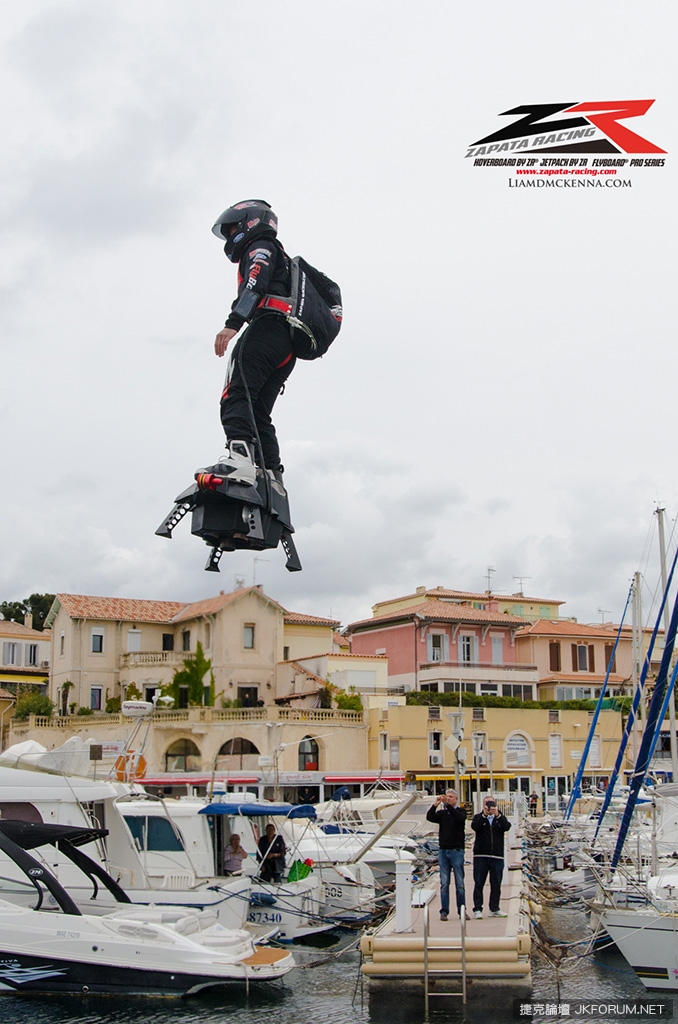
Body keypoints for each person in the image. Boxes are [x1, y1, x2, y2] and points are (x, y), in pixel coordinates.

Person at [209, 199, 295, 487]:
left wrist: (233, 324)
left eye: (233, 228)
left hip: (267, 327)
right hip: (288, 341)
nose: (231, 236)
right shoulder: (277, 252)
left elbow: (254, 282)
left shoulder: (259, 248)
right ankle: (272, 476)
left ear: (248, 223)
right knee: (258, 410)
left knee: (236, 393)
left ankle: (241, 460)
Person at [426, 789, 467, 921]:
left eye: (451, 797)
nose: (448, 799)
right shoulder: (442, 813)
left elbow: (458, 818)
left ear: (456, 799)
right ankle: (444, 911)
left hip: (457, 851)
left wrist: (448, 805)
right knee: (444, 883)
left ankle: (462, 910)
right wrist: (436, 804)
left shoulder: (461, 811)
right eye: (447, 797)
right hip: (443, 851)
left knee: (460, 883)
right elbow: (430, 817)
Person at [471, 795, 512, 919]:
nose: (489, 807)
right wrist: (484, 815)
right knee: (479, 883)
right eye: (487, 804)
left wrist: (497, 815)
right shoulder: (479, 817)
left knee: (496, 884)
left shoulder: (500, 818)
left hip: (497, 856)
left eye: (491, 804)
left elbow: (507, 827)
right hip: (481, 855)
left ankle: (494, 908)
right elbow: (475, 827)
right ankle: (477, 908)